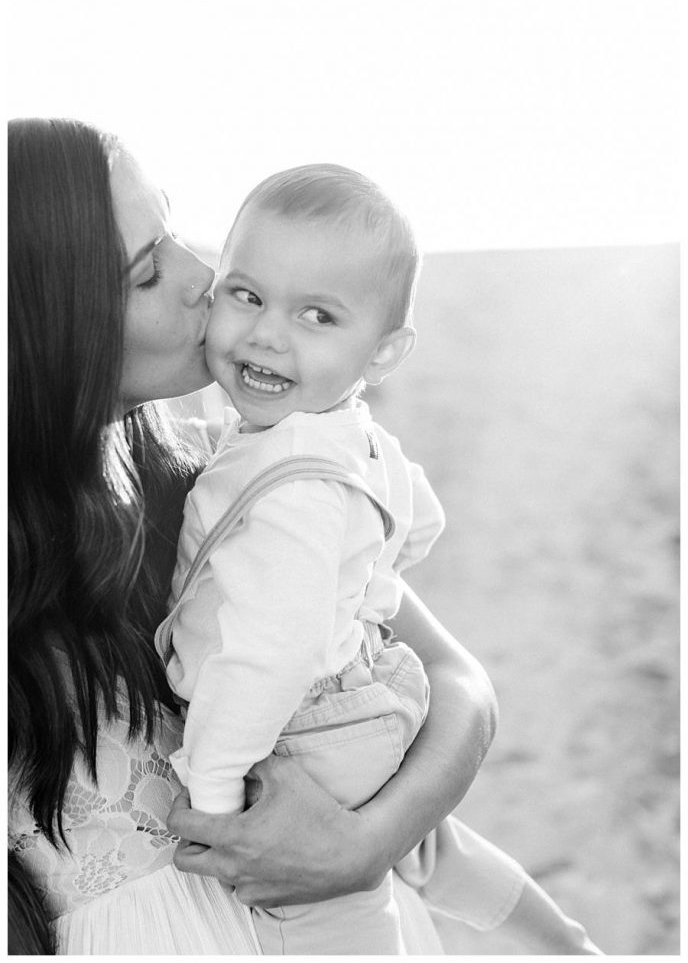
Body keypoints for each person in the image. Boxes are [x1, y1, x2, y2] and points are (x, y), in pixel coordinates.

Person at [7, 116, 498, 955]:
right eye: (147, 270)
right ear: (51, 332)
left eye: (171, 227)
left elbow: (461, 683)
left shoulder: (217, 478)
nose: (207, 276)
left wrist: (368, 842)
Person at [157, 165, 602, 955]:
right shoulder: (350, 434)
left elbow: (269, 654)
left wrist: (216, 789)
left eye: (317, 315)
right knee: (429, 845)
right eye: (247, 294)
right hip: (366, 703)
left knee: (336, 922)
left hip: (294, 732)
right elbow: (419, 516)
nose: (266, 334)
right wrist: (366, 580)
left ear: (386, 350)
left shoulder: (290, 492)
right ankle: (561, 939)